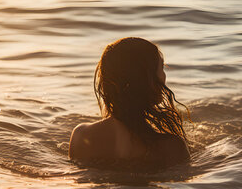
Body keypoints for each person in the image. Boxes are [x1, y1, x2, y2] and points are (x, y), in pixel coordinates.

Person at [69, 37, 189, 171]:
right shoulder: (172, 147)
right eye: (161, 68)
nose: (164, 76)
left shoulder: (81, 136)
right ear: (147, 79)